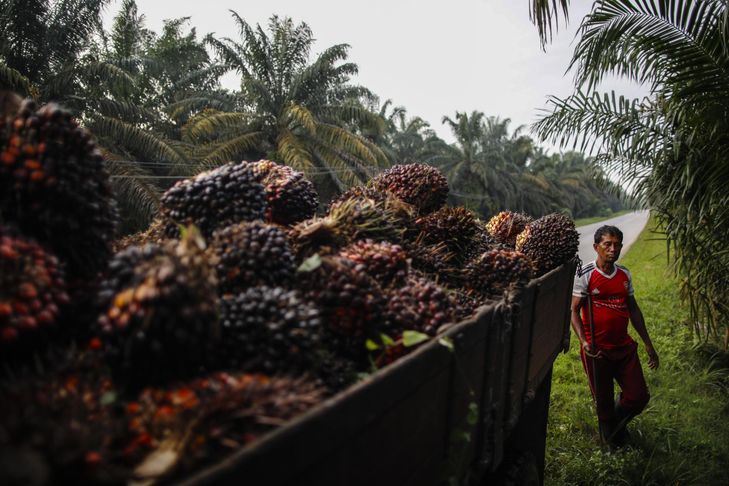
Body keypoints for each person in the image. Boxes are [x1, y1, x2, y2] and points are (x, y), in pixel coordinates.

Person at [570, 225, 659, 446]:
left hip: (624, 348)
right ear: (596, 247)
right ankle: (610, 437)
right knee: (603, 402)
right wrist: (584, 341)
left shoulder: (624, 274)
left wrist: (648, 344)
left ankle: (614, 425)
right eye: (607, 244)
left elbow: (633, 309)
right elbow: (572, 310)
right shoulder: (585, 274)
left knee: (638, 397)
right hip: (597, 351)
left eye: (617, 244)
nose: (613, 249)